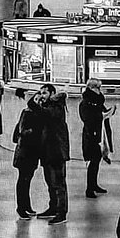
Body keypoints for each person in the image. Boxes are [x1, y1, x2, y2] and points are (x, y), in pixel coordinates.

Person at [29, 83, 70, 225]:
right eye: (40, 93)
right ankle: (53, 207)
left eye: (44, 93)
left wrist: (34, 101)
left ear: (52, 94)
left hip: (56, 151)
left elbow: (46, 114)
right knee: (50, 182)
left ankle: (61, 213)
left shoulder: (56, 106)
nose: (42, 96)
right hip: (47, 151)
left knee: (58, 183)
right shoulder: (49, 106)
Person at [78, 77, 114, 198]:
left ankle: (94, 184)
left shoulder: (98, 101)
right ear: (90, 88)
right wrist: (102, 115)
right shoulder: (86, 102)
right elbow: (87, 119)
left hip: (100, 133)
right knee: (92, 162)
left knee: (97, 161)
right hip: (91, 135)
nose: (99, 90)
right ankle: (89, 188)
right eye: (96, 87)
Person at [12, 88, 42, 219]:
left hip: (32, 151)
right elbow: (22, 130)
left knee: (27, 180)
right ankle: (21, 207)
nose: (39, 102)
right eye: (37, 99)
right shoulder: (27, 112)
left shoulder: (38, 114)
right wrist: (34, 132)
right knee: (23, 180)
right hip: (25, 151)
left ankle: (26, 205)